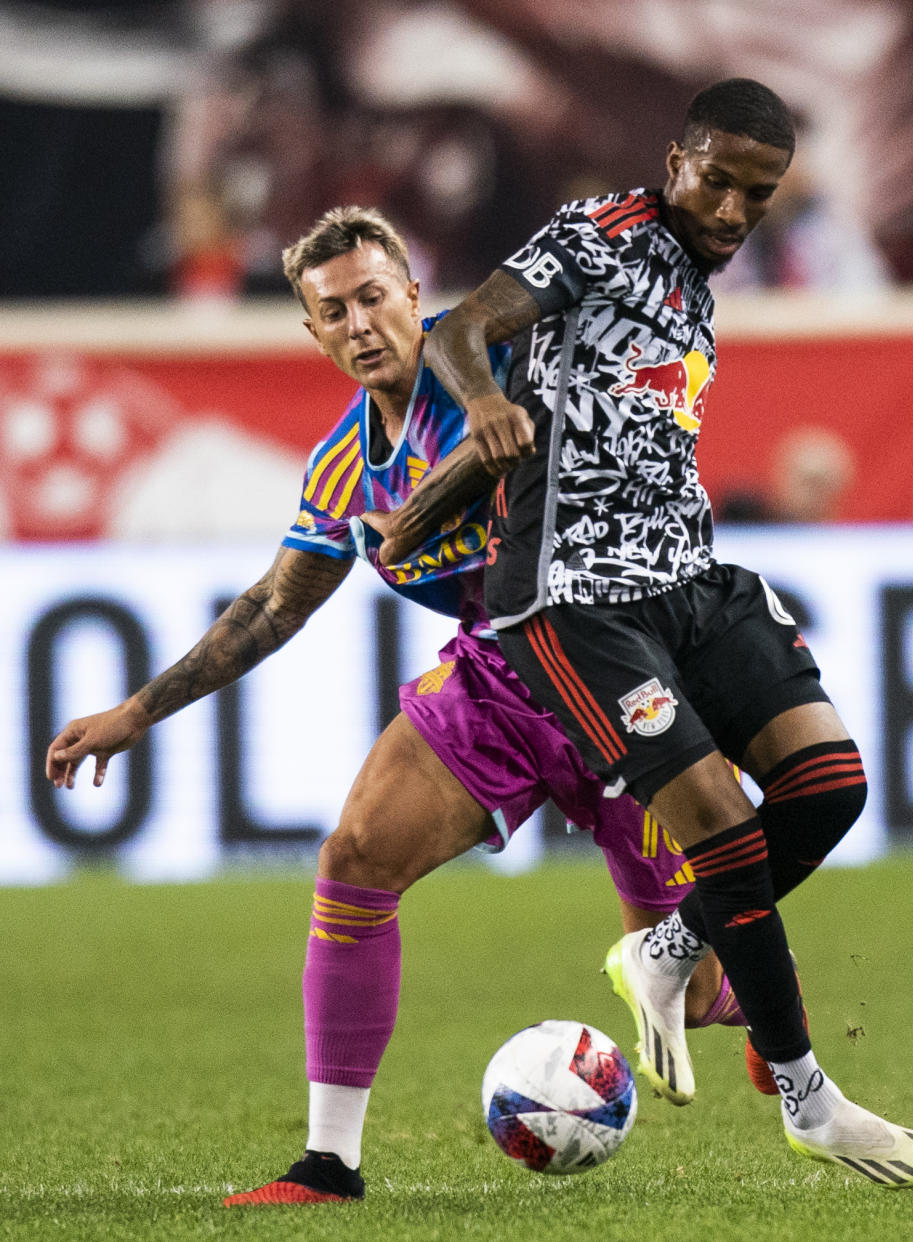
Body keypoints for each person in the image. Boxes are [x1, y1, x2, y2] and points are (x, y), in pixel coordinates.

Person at [46, 206, 754, 1209]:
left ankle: (748, 1004)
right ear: (313, 333)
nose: (361, 323)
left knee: (680, 976)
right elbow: (274, 605)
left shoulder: (505, 364)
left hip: (620, 668)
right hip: (500, 687)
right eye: (334, 311)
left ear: (416, 294)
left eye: (375, 296)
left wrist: (421, 513)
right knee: (357, 854)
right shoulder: (343, 464)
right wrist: (135, 712)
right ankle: (328, 1164)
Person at [414, 79, 913, 1188]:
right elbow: (461, 328)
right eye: (717, 180)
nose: (734, 208)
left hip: (689, 578)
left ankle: (665, 951)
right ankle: (808, 1096)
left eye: (758, 193)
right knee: (723, 831)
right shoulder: (602, 233)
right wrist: (483, 402)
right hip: (574, 597)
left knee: (831, 786)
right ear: (675, 159)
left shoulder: (703, 280)